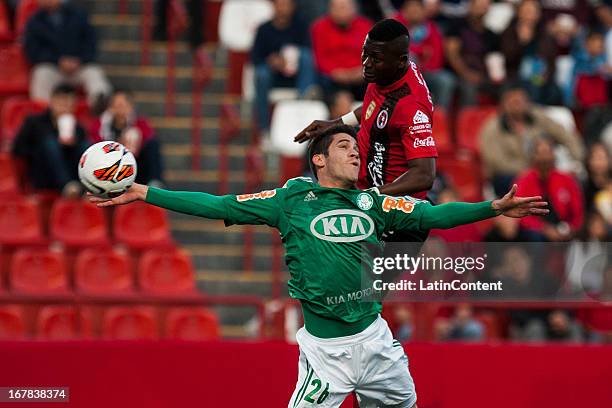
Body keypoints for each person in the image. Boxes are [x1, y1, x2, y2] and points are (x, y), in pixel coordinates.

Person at [90, 125, 548, 408]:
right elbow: (217, 204)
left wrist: (493, 207)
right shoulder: (291, 199)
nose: (356, 154)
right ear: (319, 158)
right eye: (346, 147)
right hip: (325, 356)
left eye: (357, 149)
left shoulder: (373, 201)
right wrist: (146, 192)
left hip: (376, 342)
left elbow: (433, 216)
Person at [297, 18, 438, 246]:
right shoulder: (385, 74)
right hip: (369, 200)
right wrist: (337, 122)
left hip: (398, 217)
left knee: (366, 281)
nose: (366, 63)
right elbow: (376, 106)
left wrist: (371, 196)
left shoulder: (412, 107)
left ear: (401, 61)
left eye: (376, 59)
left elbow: (424, 175)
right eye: (365, 53)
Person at [480, 82, 584, 196]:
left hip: (544, 170)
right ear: (503, 104)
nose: (517, 104)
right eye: (512, 101)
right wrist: (531, 171)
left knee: (573, 180)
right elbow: (496, 162)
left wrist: (578, 159)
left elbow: (566, 136)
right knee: (507, 180)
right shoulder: (492, 128)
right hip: (512, 175)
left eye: (520, 100)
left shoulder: (539, 117)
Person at [23, 0, 111, 109]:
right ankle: (45, 115)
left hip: (79, 66)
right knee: (41, 74)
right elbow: (33, 52)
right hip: (53, 68)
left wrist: (80, 60)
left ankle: (100, 112)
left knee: (94, 73)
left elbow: (91, 43)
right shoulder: (34, 21)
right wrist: (58, 61)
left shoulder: (78, 15)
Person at [12, 83, 89, 196]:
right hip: (43, 173)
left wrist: (72, 144)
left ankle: (86, 185)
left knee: (85, 145)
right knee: (50, 144)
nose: (65, 106)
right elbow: (18, 149)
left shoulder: (78, 128)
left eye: (69, 103)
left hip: (72, 173)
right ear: (52, 101)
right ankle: (67, 185)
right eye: (61, 101)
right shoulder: (34, 122)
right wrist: (41, 148)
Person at [251, 0, 316, 132]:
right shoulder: (263, 29)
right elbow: (255, 58)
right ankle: (264, 129)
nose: (282, 8)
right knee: (261, 73)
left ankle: (303, 109)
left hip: (297, 76)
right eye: (279, 4)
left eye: (286, 4)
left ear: (293, 7)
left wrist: (290, 60)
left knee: (305, 57)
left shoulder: (301, 26)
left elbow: (307, 52)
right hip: (272, 77)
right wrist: (272, 61)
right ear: (273, 6)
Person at [515, 137, 585, 241]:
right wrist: (544, 229)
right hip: (537, 232)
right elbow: (520, 213)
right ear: (533, 157)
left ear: (554, 155)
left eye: (548, 152)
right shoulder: (524, 180)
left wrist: (570, 228)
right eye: (540, 153)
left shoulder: (567, 180)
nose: (545, 158)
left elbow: (578, 211)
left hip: (564, 229)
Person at [90, 90, 164, 187]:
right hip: (111, 167)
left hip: (136, 165)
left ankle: (154, 182)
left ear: (131, 107)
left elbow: (149, 139)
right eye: (116, 106)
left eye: (123, 106)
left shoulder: (140, 123)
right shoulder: (100, 124)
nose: (120, 110)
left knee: (153, 144)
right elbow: (96, 144)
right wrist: (119, 145)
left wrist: (134, 143)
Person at [394, 0, 456, 109]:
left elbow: (437, 55)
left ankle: (439, 117)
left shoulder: (431, 28)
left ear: (424, 11)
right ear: (404, 11)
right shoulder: (395, 25)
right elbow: (397, 49)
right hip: (400, 75)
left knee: (446, 80)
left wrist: (424, 67)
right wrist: (421, 51)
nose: (414, 12)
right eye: (411, 8)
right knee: (409, 58)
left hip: (426, 72)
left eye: (418, 9)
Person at [311, 0, 373, 99]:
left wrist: (362, 70)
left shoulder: (366, 26)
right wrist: (335, 72)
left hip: (361, 75)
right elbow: (319, 57)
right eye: (335, 8)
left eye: (343, 7)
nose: (339, 11)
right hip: (332, 77)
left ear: (354, 9)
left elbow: (372, 55)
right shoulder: (319, 27)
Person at [444, 0, 499, 106]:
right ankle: (467, 121)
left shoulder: (491, 35)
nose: (481, 8)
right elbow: (452, 54)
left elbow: (494, 61)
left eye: (484, 5)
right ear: (470, 6)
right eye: (478, 5)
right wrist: (467, 74)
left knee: (504, 88)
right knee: (469, 87)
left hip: (482, 76)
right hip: (458, 74)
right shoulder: (457, 26)